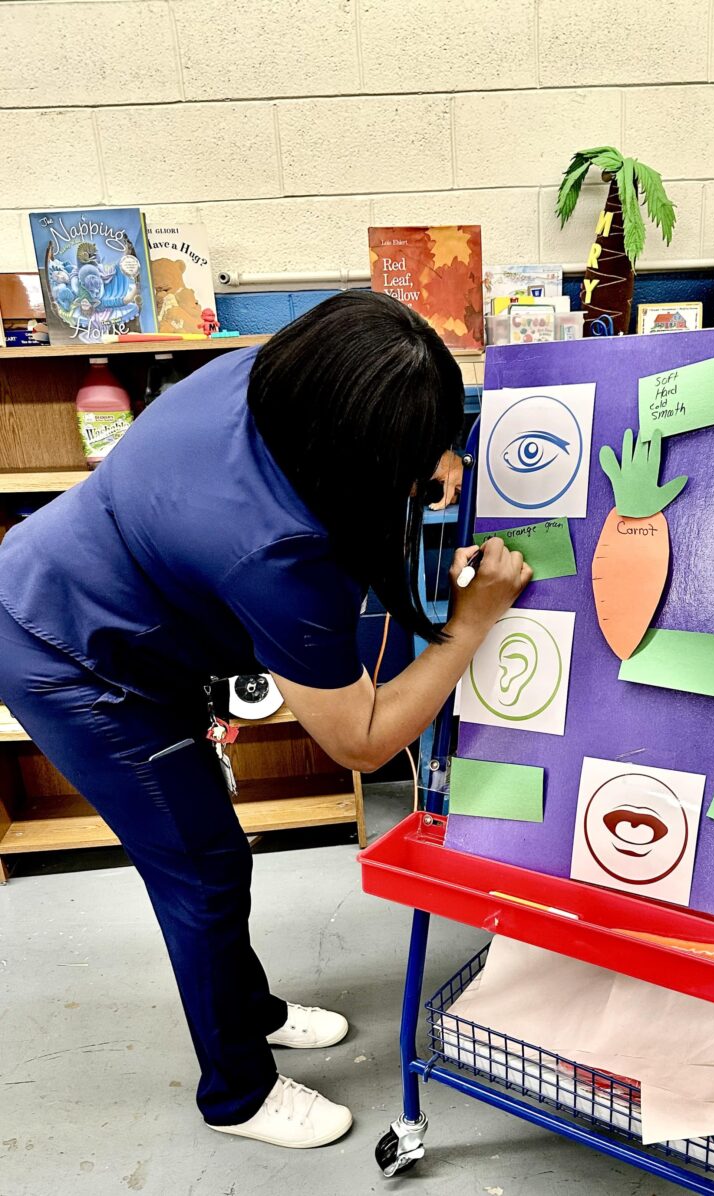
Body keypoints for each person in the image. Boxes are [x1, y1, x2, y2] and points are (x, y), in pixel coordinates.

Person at [0, 292, 531, 1149]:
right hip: (73, 658)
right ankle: (237, 1094)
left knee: (214, 852)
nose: (451, 472)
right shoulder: (279, 553)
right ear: (356, 450)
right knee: (202, 872)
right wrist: (470, 627)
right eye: (427, 453)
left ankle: (250, 1009)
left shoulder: (271, 378)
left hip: (110, 605)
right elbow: (359, 739)